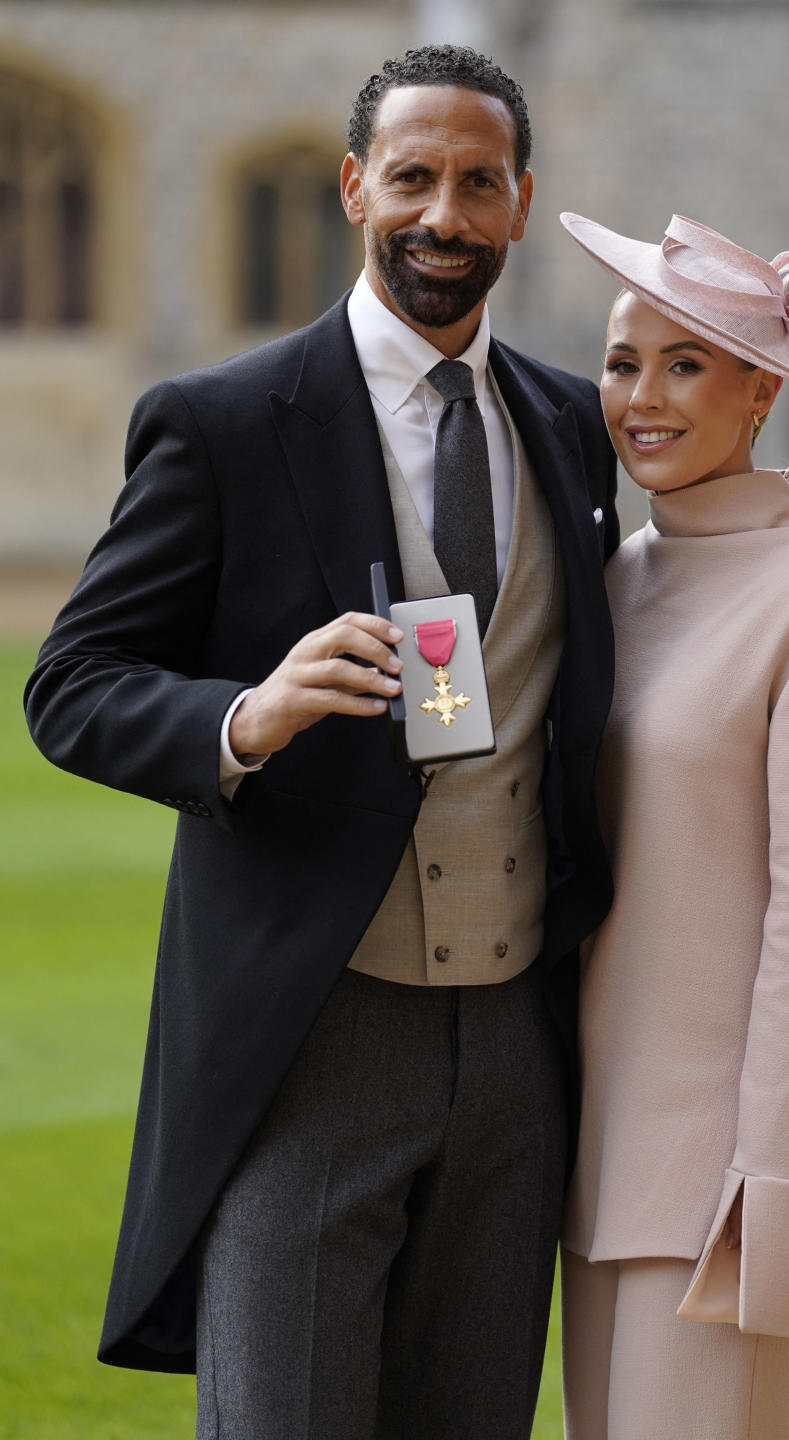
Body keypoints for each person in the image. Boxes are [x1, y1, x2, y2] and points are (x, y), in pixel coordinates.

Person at [23, 47, 619, 1440]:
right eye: (412, 177)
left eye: (480, 184)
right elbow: (74, 682)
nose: (444, 217)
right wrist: (244, 716)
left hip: (522, 1048)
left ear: (523, 204)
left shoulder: (570, 429)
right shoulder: (225, 424)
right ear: (355, 186)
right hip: (313, 1033)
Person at [556, 212, 789, 1440]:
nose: (641, 398)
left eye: (683, 364)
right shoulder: (611, 579)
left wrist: (779, 1182)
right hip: (587, 1155)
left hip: (722, 1177)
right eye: (620, 362)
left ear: (761, 391)